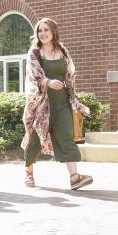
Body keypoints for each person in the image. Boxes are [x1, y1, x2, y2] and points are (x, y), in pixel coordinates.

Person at [21, 18, 93, 190]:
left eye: (46, 30)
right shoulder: (35, 53)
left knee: (67, 138)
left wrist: (73, 97)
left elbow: (70, 75)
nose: (43, 33)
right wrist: (47, 82)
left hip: (62, 103)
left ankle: (74, 178)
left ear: (53, 32)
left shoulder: (63, 50)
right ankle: (28, 172)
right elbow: (33, 75)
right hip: (40, 105)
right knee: (34, 141)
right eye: (40, 30)